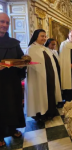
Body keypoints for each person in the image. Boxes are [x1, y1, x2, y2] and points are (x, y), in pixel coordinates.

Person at [0, 13, 26, 147]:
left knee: (13, 106)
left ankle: (12, 129)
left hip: (12, 81)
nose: (4, 25)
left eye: (7, 23)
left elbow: (21, 58)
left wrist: (23, 63)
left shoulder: (14, 43)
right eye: (2, 22)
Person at [25, 29, 62, 121]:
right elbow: (31, 66)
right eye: (42, 36)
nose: (44, 38)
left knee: (50, 93)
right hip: (38, 78)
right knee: (40, 94)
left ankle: (50, 111)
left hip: (49, 76)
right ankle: (40, 114)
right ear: (36, 36)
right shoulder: (31, 49)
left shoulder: (45, 48)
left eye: (45, 36)